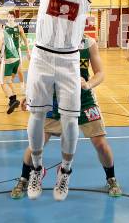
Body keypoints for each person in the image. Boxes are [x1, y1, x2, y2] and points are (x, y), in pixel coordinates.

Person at [18, 0, 106, 200]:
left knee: (70, 120)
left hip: (69, 61)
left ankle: (65, 172)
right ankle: (37, 169)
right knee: (36, 117)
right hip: (42, 56)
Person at [11, 35, 122, 200]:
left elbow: (100, 73)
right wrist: (30, 95)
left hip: (83, 99)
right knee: (37, 143)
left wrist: (89, 84)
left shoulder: (88, 43)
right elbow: (37, 73)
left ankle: (111, 178)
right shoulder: (49, 41)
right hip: (55, 98)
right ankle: (24, 178)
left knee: (100, 144)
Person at [0, 11, 30, 114]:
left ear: (14, 18)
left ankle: (21, 89)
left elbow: (25, 40)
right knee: (9, 79)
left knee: (18, 72)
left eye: (12, 16)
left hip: (16, 52)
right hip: (8, 55)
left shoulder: (19, 27)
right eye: (8, 16)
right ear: (6, 18)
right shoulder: (4, 29)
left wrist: (28, 51)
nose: (10, 17)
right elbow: (1, 46)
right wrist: (0, 57)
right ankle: (13, 98)